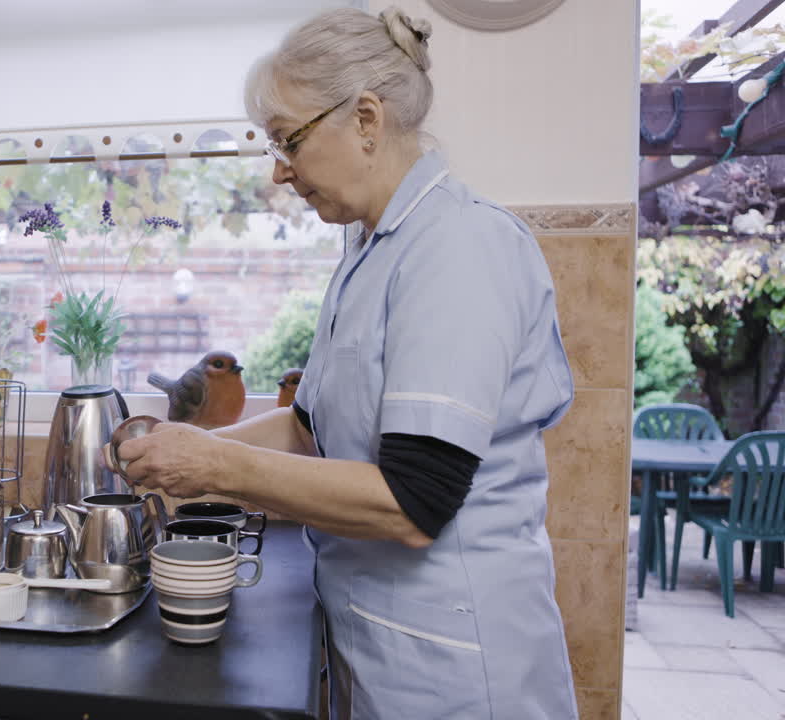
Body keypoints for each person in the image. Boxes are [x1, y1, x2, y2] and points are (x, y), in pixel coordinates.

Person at [115, 6, 578, 719]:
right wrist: (176, 452)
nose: (278, 171)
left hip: (454, 667)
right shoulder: (369, 249)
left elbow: (414, 502)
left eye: (287, 141)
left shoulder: (458, 246)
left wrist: (211, 469)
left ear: (366, 119)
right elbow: (307, 430)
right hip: (382, 645)